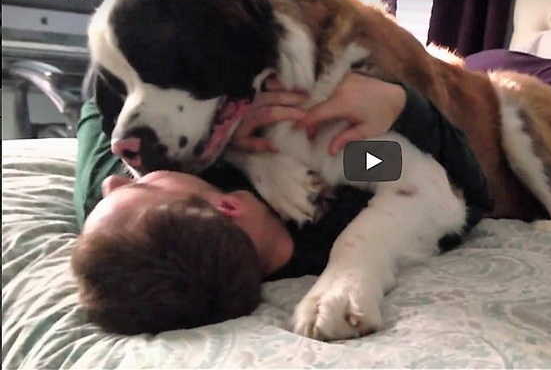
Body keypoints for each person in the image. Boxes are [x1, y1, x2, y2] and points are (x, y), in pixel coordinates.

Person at [71, 73, 491, 335]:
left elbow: (102, 98)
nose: (113, 181)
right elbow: (456, 186)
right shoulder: (340, 194)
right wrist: (399, 103)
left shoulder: (116, 203)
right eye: (135, 189)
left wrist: (232, 142)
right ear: (227, 208)